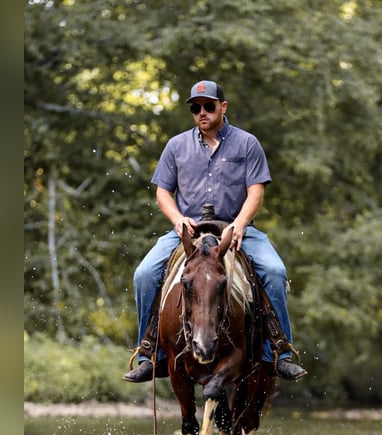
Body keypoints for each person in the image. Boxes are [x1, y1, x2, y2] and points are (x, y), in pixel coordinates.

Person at [123, 80, 307, 383]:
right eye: (196, 108)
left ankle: (278, 352)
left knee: (274, 271)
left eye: (209, 106)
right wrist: (178, 219)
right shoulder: (176, 146)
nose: (202, 112)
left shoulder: (247, 143)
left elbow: (256, 192)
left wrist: (240, 223)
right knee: (144, 274)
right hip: (189, 231)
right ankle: (150, 353)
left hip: (237, 228)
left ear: (223, 106)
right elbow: (163, 193)